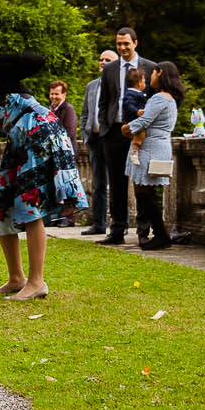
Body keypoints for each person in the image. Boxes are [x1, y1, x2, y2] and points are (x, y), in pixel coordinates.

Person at [0, 46, 88, 301]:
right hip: (19, 143)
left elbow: (37, 60)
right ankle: (17, 278)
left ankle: (37, 281)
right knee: (1, 207)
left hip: (40, 133)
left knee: (31, 205)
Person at [98, 27, 157, 247]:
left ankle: (143, 231)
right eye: (118, 44)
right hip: (114, 131)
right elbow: (104, 101)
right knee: (116, 183)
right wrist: (105, 127)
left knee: (142, 182)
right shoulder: (110, 69)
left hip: (140, 132)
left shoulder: (150, 68)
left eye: (126, 44)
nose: (122, 48)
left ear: (135, 43)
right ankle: (117, 229)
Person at [123, 60, 182, 250]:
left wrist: (126, 128)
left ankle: (161, 235)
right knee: (147, 193)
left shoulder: (159, 98)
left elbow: (144, 121)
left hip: (150, 148)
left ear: (161, 73)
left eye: (153, 73)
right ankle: (160, 234)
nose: (150, 78)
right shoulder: (171, 98)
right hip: (160, 146)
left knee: (144, 193)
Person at [80, 50, 115, 235]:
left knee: (116, 184)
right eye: (101, 59)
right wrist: (85, 136)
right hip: (94, 140)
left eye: (107, 60)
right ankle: (99, 224)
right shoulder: (91, 86)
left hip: (111, 139)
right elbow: (85, 112)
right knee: (98, 184)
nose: (103, 62)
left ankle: (118, 225)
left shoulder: (117, 85)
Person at [45, 79, 78, 227]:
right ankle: (56, 217)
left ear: (64, 94)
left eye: (57, 94)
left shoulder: (68, 109)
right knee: (54, 186)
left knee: (67, 185)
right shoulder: (49, 109)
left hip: (66, 152)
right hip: (53, 153)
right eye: (51, 94)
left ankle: (69, 218)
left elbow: (70, 132)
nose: (53, 97)